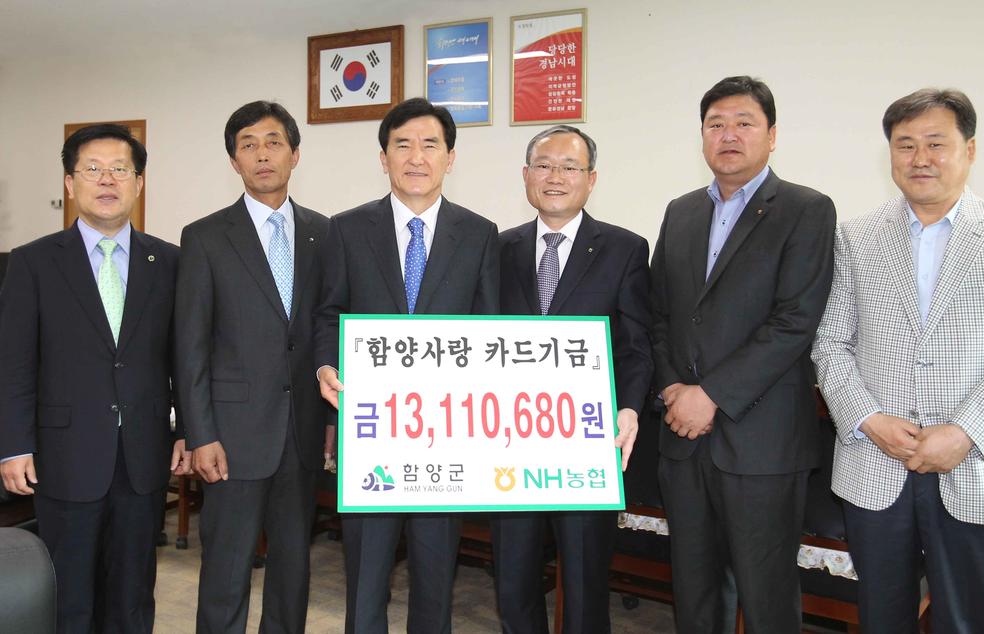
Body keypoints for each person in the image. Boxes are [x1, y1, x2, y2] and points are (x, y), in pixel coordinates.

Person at [812, 88, 984, 633]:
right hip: (876, 463)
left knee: (968, 622)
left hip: (977, 466)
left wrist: (965, 432)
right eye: (905, 145)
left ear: (969, 150)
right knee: (882, 619)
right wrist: (868, 419)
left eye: (936, 143)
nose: (920, 158)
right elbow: (830, 344)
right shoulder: (856, 236)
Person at [650, 75, 836, 633]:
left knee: (766, 597)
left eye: (744, 123)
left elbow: (795, 321)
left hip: (762, 442)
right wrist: (672, 389)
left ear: (771, 135)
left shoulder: (806, 209)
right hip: (683, 439)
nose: (728, 135)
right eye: (716, 124)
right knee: (694, 593)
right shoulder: (681, 211)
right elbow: (658, 314)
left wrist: (711, 395)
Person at [315, 97, 499, 634]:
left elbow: (488, 329)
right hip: (370, 429)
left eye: (430, 145)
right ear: (383, 157)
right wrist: (325, 366)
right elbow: (329, 312)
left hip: (445, 437)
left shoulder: (480, 233)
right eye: (402, 145)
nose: (416, 157)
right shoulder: (347, 229)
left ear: (450, 158)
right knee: (366, 575)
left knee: (436, 574)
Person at [0, 123, 187, 633]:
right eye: (93, 169)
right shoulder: (33, 262)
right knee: (69, 596)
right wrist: (13, 445)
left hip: (143, 455)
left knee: (133, 595)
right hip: (64, 455)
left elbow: (184, 355)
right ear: (69, 183)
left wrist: (188, 429)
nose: (107, 180)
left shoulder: (170, 261)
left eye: (120, 169)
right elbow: (14, 363)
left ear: (139, 183)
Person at [489, 125, 653, 633]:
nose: (554, 177)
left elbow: (636, 346)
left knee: (583, 582)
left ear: (591, 179)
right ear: (526, 175)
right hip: (510, 441)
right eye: (543, 165)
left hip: (588, 441)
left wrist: (629, 408)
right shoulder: (498, 249)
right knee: (513, 579)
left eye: (569, 167)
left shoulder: (625, 249)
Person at [175, 100, 330, 634]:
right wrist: (200, 433)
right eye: (248, 146)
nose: (262, 155)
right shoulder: (204, 237)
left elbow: (325, 328)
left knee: (292, 571)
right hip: (231, 437)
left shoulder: (323, 233)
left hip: (301, 433)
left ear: (294, 154)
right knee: (226, 570)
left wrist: (330, 423)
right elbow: (190, 346)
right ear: (234, 161)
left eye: (273, 143)